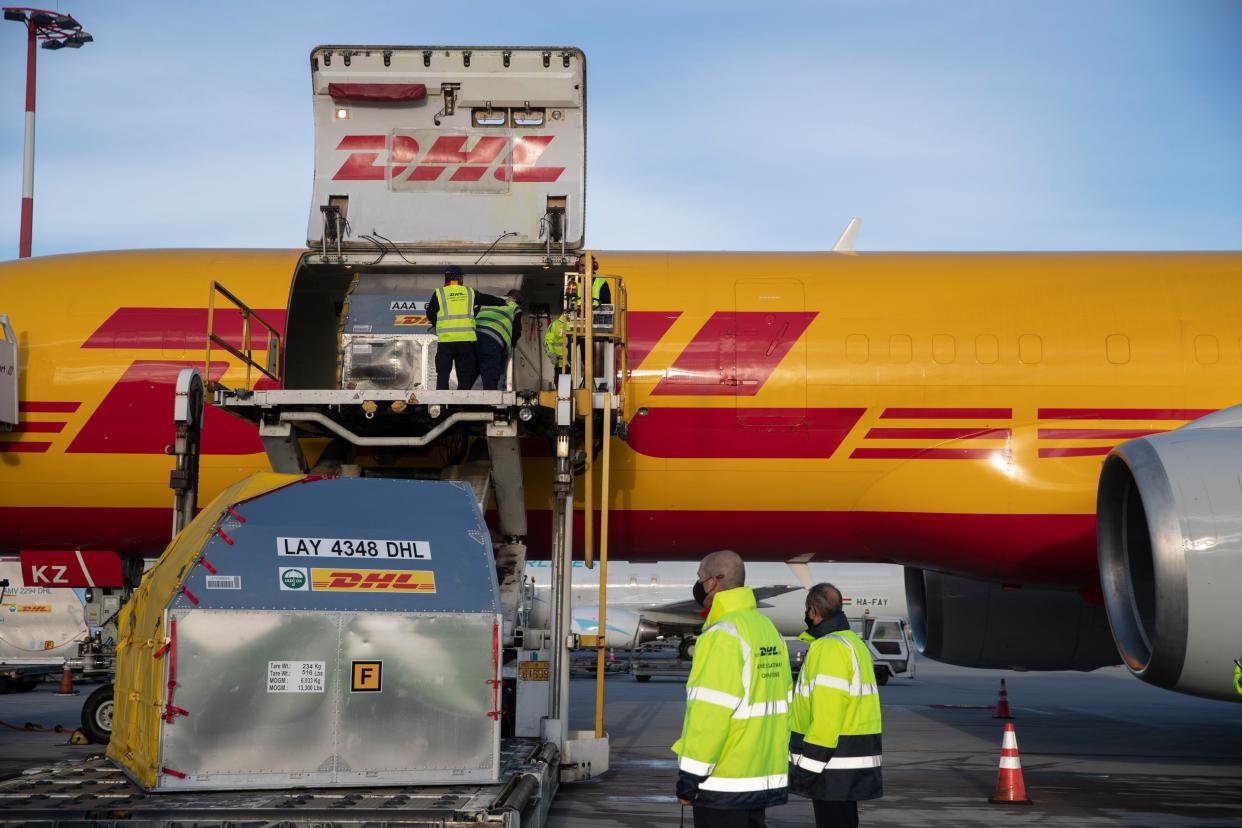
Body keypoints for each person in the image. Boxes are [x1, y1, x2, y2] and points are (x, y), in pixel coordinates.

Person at [674, 550, 792, 828]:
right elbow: (786, 702)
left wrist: (690, 777)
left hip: (723, 782)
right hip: (761, 776)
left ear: (714, 583)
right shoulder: (767, 629)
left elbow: (710, 715)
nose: (699, 586)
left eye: (700, 579)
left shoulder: (722, 635)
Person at [789, 584, 883, 828]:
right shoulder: (853, 643)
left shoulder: (828, 648)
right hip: (852, 758)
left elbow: (827, 716)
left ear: (814, 610)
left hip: (832, 764)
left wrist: (807, 770)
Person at [424, 266, 504, 390]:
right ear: (460, 278)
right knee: (465, 375)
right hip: (465, 341)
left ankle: (441, 402)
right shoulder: (469, 292)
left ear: (446, 278)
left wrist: (439, 326)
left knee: (443, 373)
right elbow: (486, 299)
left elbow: (430, 313)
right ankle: (461, 404)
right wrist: (502, 301)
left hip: (446, 341)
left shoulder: (439, 293)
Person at [475, 290, 522, 391]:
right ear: (516, 299)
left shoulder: (490, 301)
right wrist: (511, 344)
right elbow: (517, 330)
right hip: (492, 340)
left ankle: (460, 402)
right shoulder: (514, 306)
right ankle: (489, 403)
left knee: (469, 373)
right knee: (491, 373)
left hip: (473, 337)